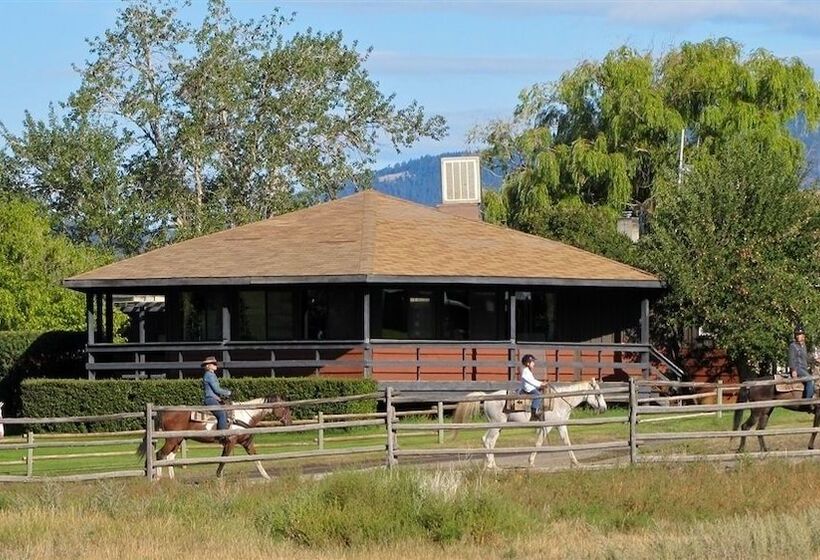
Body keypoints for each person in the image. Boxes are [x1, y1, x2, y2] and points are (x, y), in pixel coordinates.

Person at [201, 356, 232, 439]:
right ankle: (222, 435)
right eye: (213, 364)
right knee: (221, 414)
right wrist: (228, 392)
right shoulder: (209, 375)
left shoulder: (211, 375)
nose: (215, 365)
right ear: (208, 366)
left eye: (215, 363)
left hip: (213, 398)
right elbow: (217, 389)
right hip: (210, 399)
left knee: (226, 411)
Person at [788, 326, 815, 400]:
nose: (798, 336)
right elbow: (791, 358)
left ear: (803, 335)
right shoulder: (793, 346)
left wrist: (816, 360)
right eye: (797, 334)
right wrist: (793, 370)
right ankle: (807, 401)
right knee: (810, 379)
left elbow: (806, 358)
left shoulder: (804, 346)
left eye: (800, 334)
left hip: (804, 368)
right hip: (798, 368)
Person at [519, 354, 546, 420]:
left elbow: (533, 380)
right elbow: (531, 381)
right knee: (538, 395)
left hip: (531, 387)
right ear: (528, 363)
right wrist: (541, 384)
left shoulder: (528, 371)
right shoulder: (525, 371)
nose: (534, 363)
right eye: (532, 362)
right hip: (528, 389)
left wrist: (541, 383)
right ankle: (534, 411)